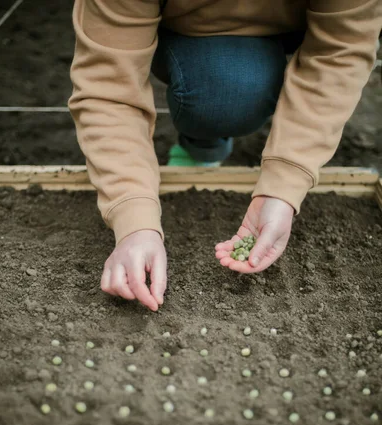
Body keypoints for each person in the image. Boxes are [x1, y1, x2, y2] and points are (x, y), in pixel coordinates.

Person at [69, 1, 381, 312]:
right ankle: (202, 144)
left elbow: (340, 52)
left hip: (302, 19)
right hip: (198, 30)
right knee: (226, 92)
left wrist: (283, 187)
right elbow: (108, 86)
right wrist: (135, 222)